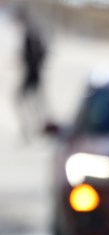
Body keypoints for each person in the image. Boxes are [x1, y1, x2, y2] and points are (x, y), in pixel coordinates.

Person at [14, 7, 48, 142]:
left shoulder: (29, 33)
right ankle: (36, 127)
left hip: (32, 73)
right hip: (35, 72)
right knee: (33, 101)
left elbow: (32, 55)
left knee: (23, 101)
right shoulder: (33, 32)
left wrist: (26, 62)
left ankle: (30, 127)